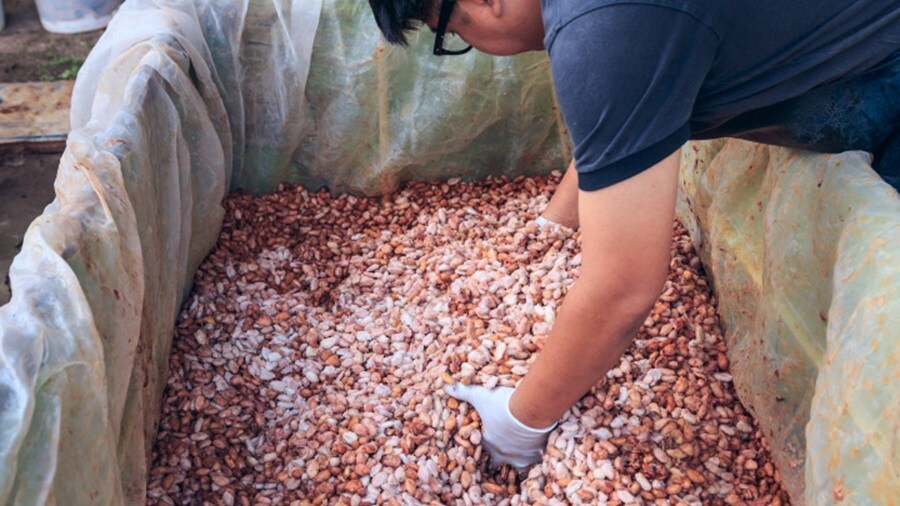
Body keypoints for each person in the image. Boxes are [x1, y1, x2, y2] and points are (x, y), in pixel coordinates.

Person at [367, 0, 900, 470]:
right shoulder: (603, 25)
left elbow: (623, 289)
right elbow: (625, 121)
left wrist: (521, 421)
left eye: (454, 34)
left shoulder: (597, 28)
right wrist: (551, 229)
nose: (471, 46)